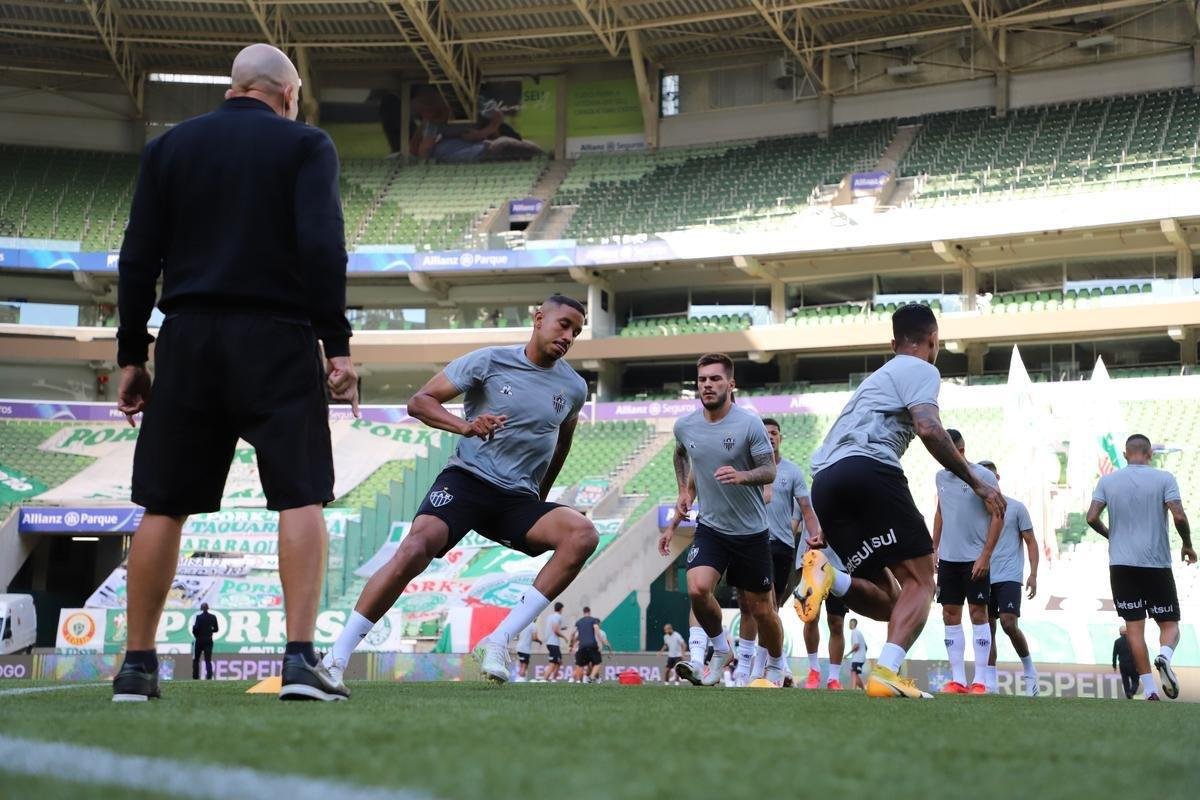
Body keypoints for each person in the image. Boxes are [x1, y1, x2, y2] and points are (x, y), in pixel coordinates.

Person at [112, 43, 358, 703]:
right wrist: (337, 344)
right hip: (277, 336)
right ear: (286, 91)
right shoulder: (305, 145)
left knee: (163, 503)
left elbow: (137, 259)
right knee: (300, 493)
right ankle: (301, 661)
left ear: (235, 87)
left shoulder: (169, 149)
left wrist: (131, 356)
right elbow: (321, 245)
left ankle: (136, 666)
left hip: (187, 338)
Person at [322, 295, 597, 686]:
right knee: (416, 547)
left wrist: (541, 494)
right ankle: (335, 657)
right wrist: (465, 426)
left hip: (516, 499)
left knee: (583, 534)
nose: (569, 336)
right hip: (467, 480)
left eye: (577, 331)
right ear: (538, 319)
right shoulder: (488, 361)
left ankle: (499, 640)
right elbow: (419, 402)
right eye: (564, 324)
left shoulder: (573, 387)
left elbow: (561, 442)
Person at [794, 303, 1005, 699]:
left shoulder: (876, 378)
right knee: (923, 581)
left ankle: (829, 577)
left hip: (825, 481)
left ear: (893, 343)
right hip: (869, 468)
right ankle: (886, 672)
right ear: (932, 340)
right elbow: (927, 426)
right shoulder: (922, 368)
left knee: (892, 602)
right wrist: (976, 480)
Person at [658, 353, 786, 687]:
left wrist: (742, 476)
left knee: (761, 609)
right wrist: (683, 490)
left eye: (715, 379)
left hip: (751, 532)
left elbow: (769, 469)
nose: (708, 385)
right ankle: (720, 649)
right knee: (698, 589)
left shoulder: (748, 424)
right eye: (702, 380)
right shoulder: (685, 425)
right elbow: (681, 453)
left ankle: (775, 663)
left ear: (730, 384)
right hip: (712, 528)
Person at [1087, 433, 1197, 701]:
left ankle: (1149, 690)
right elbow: (1179, 515)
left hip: (1121, 565)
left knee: (1134, 629)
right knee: (1169, 625)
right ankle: (1164, 656)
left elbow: (1091, 517)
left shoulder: (1108, 481)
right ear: (1150, 454)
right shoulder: (1164, 478)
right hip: (1155, 563)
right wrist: (1187, 544)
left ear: (1125, 455)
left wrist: (1111, 534)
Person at [733, 417, 822, 687]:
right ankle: (754, 668)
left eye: (774, 433)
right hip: (749, 541)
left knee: (770, 608)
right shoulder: (747, 470)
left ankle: (761, 667)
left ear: (780, 438)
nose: (770, 436)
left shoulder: (793, 472)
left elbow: (806, 509)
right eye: (765, 433)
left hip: (780, 546)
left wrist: (814, 536)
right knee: (751, 606)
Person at [931, 430, 1003, 694]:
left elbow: (998, 515)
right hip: (949, 559)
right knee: (949, 614)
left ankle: (981, 680)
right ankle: (958, 680)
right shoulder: (940, 477)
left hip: (975, 559)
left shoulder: (983, 476)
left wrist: (985, 555)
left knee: (978, 614)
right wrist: (934, 547)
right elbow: (940, 512)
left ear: (959, 451)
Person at [978, 461, 1040, 696]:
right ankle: (990, 683)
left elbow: (1031, 541)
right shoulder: (974, 508)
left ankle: (1029, 670)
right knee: (987, 627)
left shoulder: (1016, 508)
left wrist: (1033, 574)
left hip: (1009, 575)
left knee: (1008, 623)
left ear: (998, 478)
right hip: (983, 573)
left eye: (990, 477)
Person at [570, 606, 603, 683]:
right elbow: (597, 631)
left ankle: (579, 680)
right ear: (589, 612)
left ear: (583, 612)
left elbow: (573, 634)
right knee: (597, 663)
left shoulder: (579, 622)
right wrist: (601, 643)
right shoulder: (593, 620)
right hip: (592, 645)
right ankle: (591, 678)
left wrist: (571, 645)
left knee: (580, 665)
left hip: (581, 647)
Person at [191, 603, 218, 681]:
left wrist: (196, 635)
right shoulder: (213, 617)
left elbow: (195, 629)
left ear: (201, 608)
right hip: (209, 640)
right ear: (208, 608)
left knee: (196, 659)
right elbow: (216, 629)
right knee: (208, 659)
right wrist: (209, 631)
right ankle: (209, 676)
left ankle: (195, 676)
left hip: (199, 640)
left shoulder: (199, 617)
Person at [1112, 625, 1139, 699]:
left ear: (1120, 633)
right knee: (1135, 680)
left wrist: (1114, 666)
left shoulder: (1117, 641)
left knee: (1125, 681)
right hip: (1133, 664)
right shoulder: (1133, 640)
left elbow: (1114, 654)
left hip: (1123, 664)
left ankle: (1128, 694)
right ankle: (1132, 691)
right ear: (1127, 632)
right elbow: (1137, 653)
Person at [544, 602, 568, 682]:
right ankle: (545, 679)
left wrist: (561, 628)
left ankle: (553, 679)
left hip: (550, 642)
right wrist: (564, 637)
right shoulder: (558, 617)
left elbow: (553, 627)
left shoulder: (550, 617)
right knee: (553, 662)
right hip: (553, 643)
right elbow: (555, 630)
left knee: (559, 661)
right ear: (561, 609)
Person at [847, 618, 868, 691]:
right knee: (854, 672)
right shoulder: (859, 632)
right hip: (860, 658)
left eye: (849, 623)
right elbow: (865, 646)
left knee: (853, 672)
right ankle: (862, 688)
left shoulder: (854, 632)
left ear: (852, 624)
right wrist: (863, 654)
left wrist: (848, 654)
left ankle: (853, 689)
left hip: (857, 658)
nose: (848, 625)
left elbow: (856, 645)